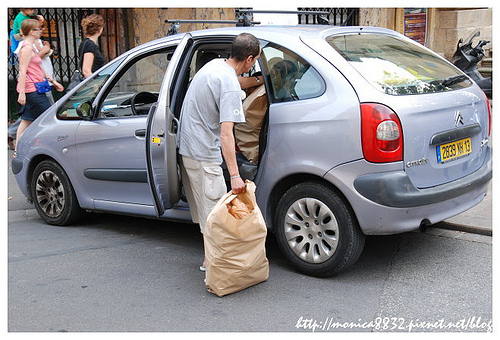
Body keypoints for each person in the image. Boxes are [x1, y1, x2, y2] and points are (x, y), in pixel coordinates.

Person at [177, 33, 261, 271]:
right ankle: (213, 266)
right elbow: (227, 134)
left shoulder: (215, 66)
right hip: (205, 154)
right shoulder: (229, 85)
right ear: (249, 59)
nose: (252, 67)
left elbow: (235, 83)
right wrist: (235, 176)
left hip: (189, 150)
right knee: (215, 213)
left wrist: (257, 81)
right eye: (253, 63)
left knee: (205, 211)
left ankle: (213, 260)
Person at [15, 19, 64, 154]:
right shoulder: (26, 48)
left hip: (37, 87)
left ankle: (18, 148)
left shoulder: (32, 47)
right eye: (38, 29)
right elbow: (22, 71)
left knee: (27, 120)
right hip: (32, 89)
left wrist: (53, 82)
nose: (41, 31)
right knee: (50, 115)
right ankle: (52, 146)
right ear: (31, 32)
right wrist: (22, 93)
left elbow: (39, 68)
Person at [80, 14, 105, 78]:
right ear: (100, 29)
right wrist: (95, 85)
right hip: (93, 84)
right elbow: (86, 71)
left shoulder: (85, 43)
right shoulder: (90, 45)